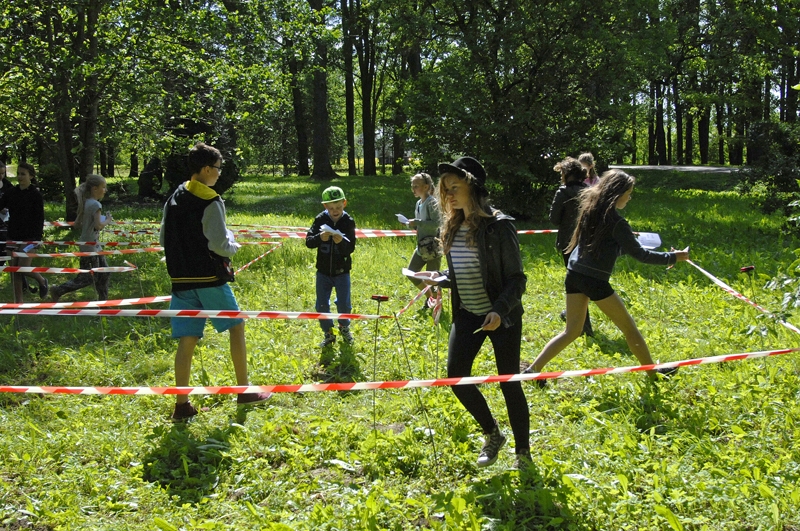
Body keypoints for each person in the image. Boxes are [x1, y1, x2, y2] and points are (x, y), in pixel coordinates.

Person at [529, 169, 689, 383]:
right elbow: (642, 255)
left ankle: (532, 370)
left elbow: (605, 248)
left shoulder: (591, 211)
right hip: (593, 280)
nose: (629, 198)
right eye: (628, 194)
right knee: (630, 329)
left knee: (572, 331)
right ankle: (653, 374)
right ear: (617, 194)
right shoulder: (617, 222)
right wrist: (674, 257)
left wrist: (632, 246)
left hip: (574, 274)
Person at [421, 156, 530, 469]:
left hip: (501, 316)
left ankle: (523, 453)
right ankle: (493, 434)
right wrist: (439, 278)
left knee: (509, 383)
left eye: (455, 187)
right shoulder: (452, 226)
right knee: (456, 377)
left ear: (474, 187)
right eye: (445, 189)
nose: (449, 195)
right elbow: (463, 272)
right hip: (468, 314)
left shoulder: (499, 227)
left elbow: (517, 279)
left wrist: (499, 311)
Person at [160, 142, 270, 421]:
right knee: (237, 325)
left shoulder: (174, 196)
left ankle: (182, 405)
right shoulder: (211, 200)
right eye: (218, 169)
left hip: (180, 280)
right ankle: (244, 391)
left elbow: (163, 239)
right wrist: (234, 245)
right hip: (210, 279)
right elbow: (220, 245)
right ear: (207, 169)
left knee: (187, 339)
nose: (220, 174)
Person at [305, 186, 357, 347]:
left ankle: (344, 327)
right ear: (325, 206)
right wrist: (320, 237)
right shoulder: (320, 219)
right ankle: (328, 333)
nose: (335, 211)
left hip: (342, 271)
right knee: (321, 304)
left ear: (344, 204)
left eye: (338, 207)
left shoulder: (348, 221)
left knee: (344, 304)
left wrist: (341, 243)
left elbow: (351, 248)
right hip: (323, 271)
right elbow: (309, 242)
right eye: (331, 208)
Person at [49, 175, 112, 301]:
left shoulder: (86, 202)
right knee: (87, 277)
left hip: (92, 244)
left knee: (105, 272)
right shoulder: (96, 205)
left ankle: (103, 302)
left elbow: (77, 224)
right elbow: (98, 225)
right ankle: (58, 290)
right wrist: (108, 220)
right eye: (103, 187)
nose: (105, 190)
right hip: (90, 246)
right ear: (95, 189)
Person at [550, 157, 593, 336]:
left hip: (568, 243)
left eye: (561, 173)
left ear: (567, 174)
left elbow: (554, 219)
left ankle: (584, 325)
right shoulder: (590, 191)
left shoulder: (563, 192)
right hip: (587, 241)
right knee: (582, 279)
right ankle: (575, 317)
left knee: (575, 283)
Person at [0, 162, 48, 302]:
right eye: (18, 174)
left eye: (23, 174)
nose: (20, 177)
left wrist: (37, 238)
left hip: (30, 238)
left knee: (23, 267)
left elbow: (40, 218)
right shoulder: (11, 192)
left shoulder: (36, 195)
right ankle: (19, 302)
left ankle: (41, 280)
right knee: (14, 269)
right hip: (13, 235)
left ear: (31, 176)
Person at [404, 173, 442, 304]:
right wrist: (410, 224)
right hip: (421, 246)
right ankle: (430, 298)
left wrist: (417, 222)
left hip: (433, 246)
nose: (413, 189)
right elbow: (420, 225)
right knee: (411, 273)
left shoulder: (432, 203)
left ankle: (436, 304)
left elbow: (437, 223)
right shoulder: (418, 203)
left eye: (416, 186)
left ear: (426, 187)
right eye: (412, 186)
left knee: (432, 278)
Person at [0, 161, 12, 267]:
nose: (1, 176)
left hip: (5, 225)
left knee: (6, 255)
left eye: (2, 173)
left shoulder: (8, 185)